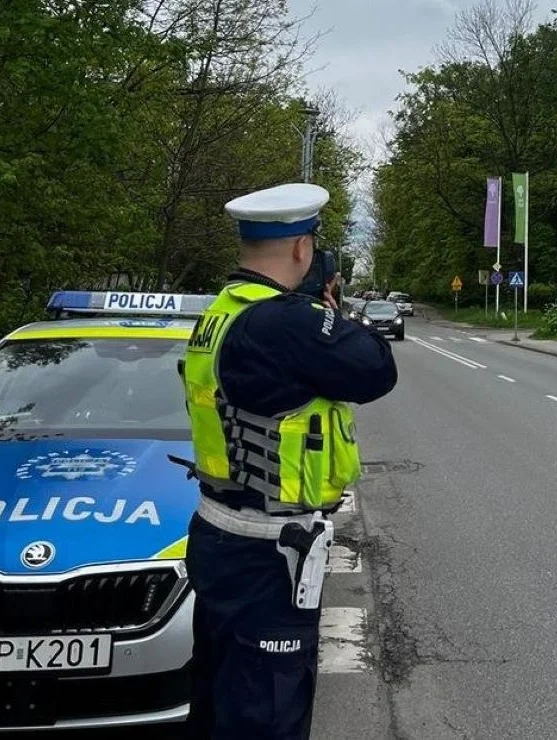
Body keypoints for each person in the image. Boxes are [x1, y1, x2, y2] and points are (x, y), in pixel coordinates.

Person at [180, 182, 397, 739]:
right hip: (267, 554)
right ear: (302, 249)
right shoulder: (285, 322)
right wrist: (333, 312)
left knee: (221, 702)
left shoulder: (220, 313)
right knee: (267, 714)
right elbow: (376, 368)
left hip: (219, 530)